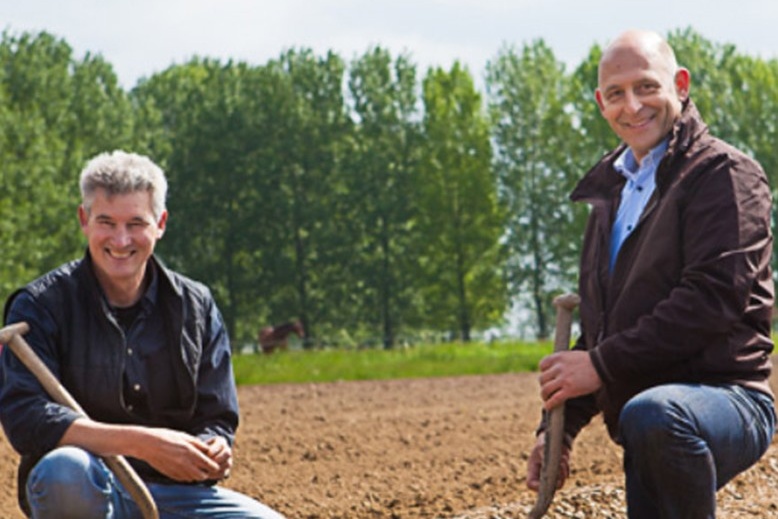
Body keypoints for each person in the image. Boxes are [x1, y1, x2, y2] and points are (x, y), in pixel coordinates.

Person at [527, 29, 775, 518]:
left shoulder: (725, 175)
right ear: (601, 103)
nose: (632, 105)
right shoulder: (611, 196)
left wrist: (599, 365)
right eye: (616, 94)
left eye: (647, 86)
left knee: (654, 414)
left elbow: (711, 301)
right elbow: (602, 332)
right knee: (649, 417)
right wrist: (557, 431)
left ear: (680, 85)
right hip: (649, 412)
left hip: (727, 399)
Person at [0, 150, 285, 518]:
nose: (120, 240)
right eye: (106, 222)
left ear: (161, 223)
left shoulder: (196, 306)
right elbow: (28, 419)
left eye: (135, 223)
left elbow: (216, 414)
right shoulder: (40, 306)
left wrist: (213, 447)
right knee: (65, 473)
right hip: (89, 488)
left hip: (179, 497)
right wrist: (143, 443)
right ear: (83, 219)